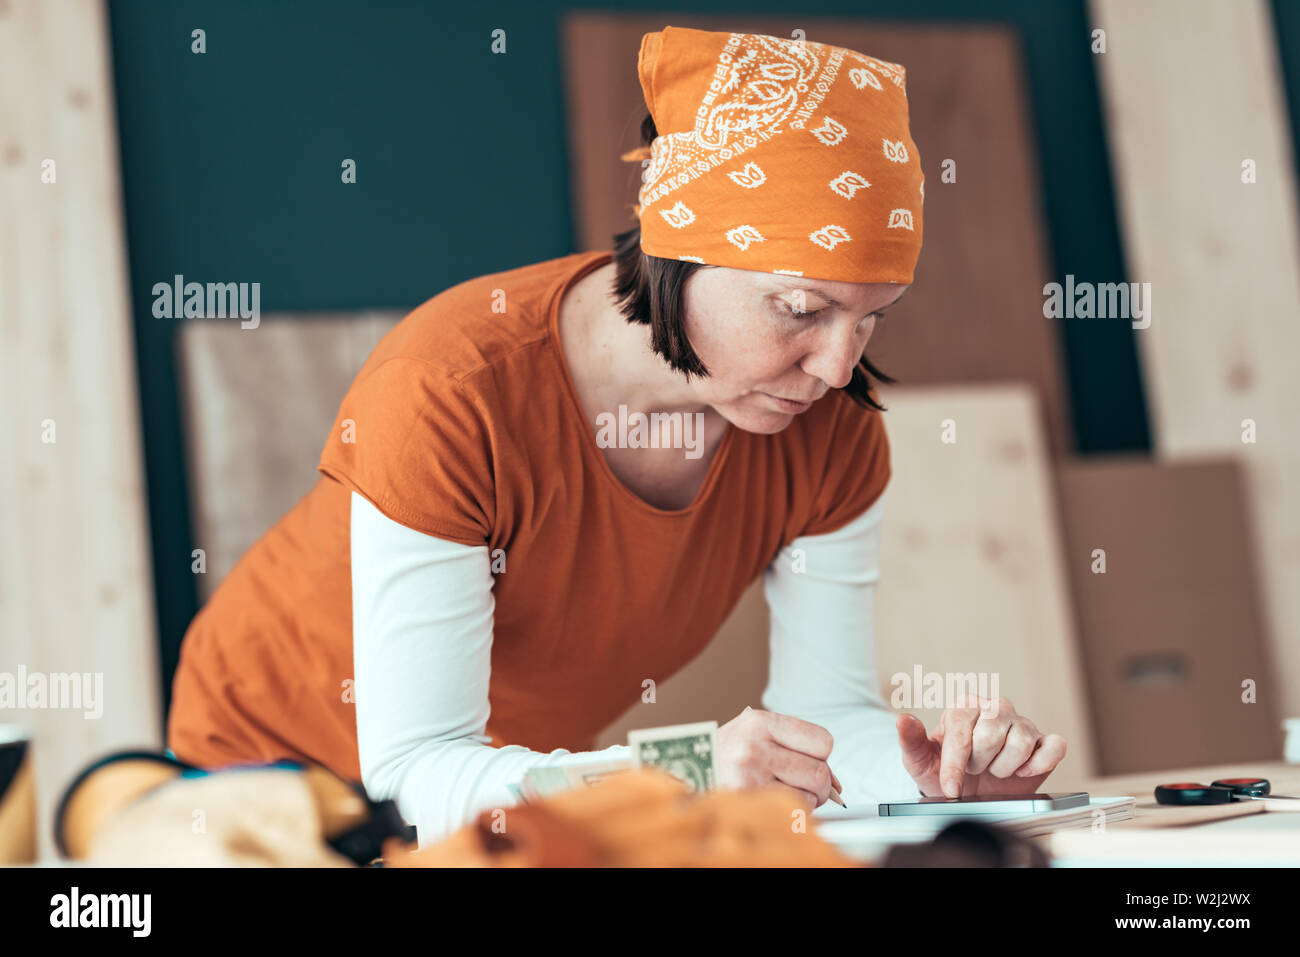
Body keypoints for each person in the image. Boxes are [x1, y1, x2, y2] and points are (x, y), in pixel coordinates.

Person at [166, 25, 1066, 846]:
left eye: (872, 319)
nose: (837, 367)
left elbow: (824, 719)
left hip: (508, 793)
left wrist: (938, 782)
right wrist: (687, 774)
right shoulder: (449, 394)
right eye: (801, 308)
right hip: (271, 782)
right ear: (677, 250)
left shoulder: (826, 430)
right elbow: (412, 778)